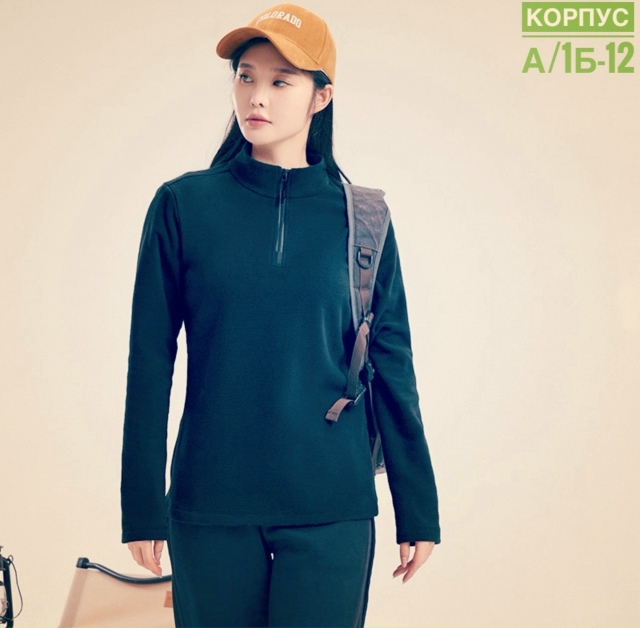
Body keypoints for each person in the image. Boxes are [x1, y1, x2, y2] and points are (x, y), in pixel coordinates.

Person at [120, 4, 440, 627]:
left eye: (280, 80)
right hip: (210, 502)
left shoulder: (364, 219)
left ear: (321, 96)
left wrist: (417, 507)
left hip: (331, 504)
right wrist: (141, 505)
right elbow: (149, 362)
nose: (256, 96)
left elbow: (393, 366)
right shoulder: (183, 205)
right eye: (245, 76)